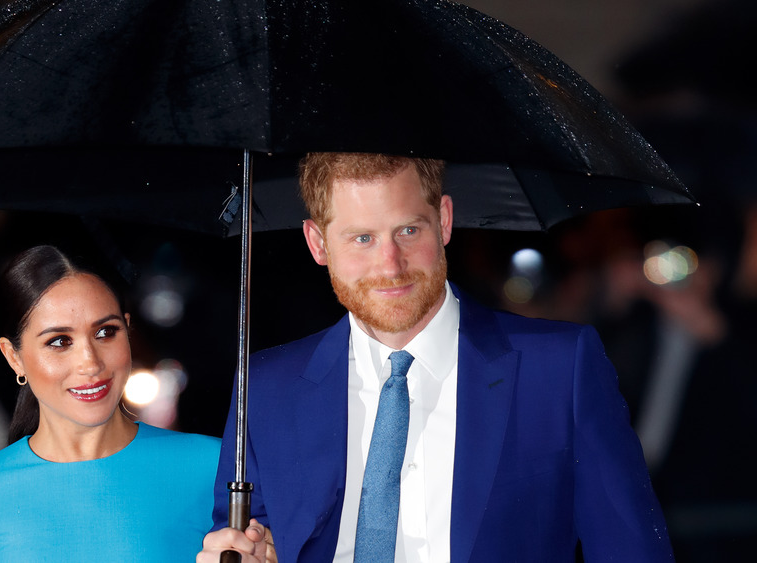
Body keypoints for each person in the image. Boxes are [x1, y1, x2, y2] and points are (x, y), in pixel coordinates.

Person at [198, 153, 673, 562]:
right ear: (318, 243)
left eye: (408, 230)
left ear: (443, 220)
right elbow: (246, 537)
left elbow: (631, 548)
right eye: (362, 238)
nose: (390, 264)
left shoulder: (558, 369)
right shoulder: (265, 387)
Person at [0, 245, 220, 561]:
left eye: (106, 332)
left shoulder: (217, 466)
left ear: (128, 330)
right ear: (14, 358)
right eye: (60, 342)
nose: (90, 364)